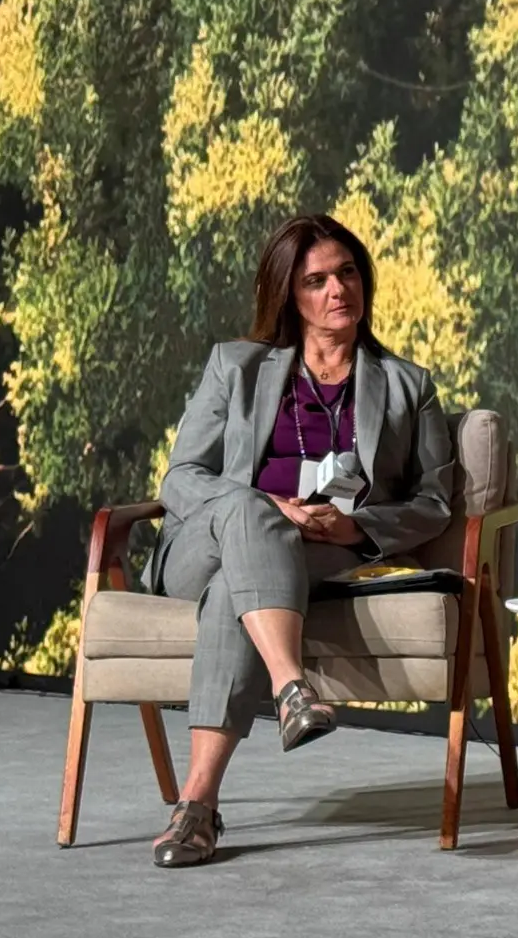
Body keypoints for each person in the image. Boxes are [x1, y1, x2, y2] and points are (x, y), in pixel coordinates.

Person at [143, 215, 456, 869]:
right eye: (316, 280)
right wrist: (261, 506)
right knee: (251, 515)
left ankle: (196, 808)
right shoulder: (237, 366)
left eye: (347, 273)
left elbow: (434, 502)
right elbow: (181, 478)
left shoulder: (408, 385)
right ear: (290, 295)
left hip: (314, 551)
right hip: (204, 543)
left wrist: (359, 526)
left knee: (243, 580)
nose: (337, 289)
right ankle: (291, 687)